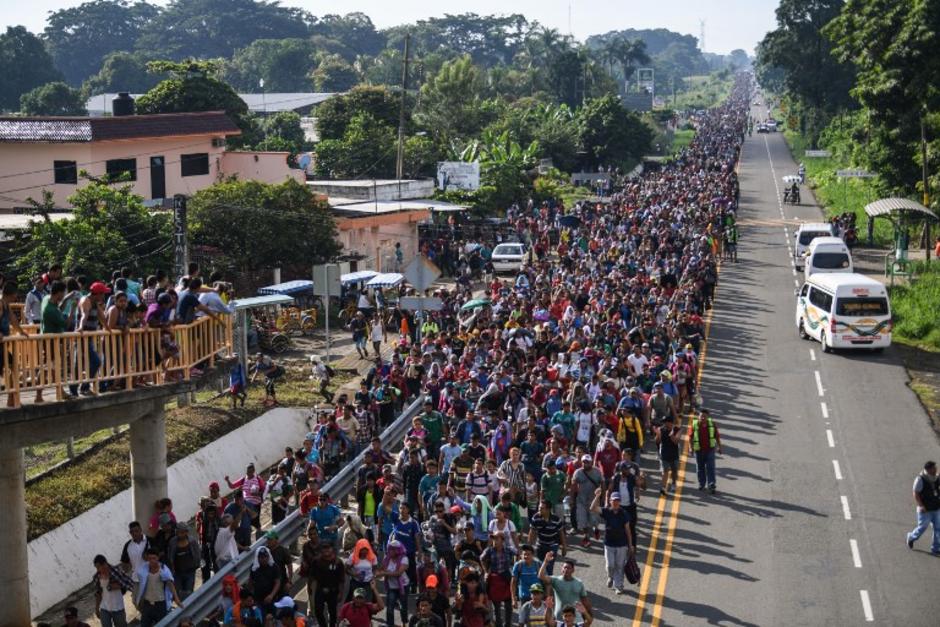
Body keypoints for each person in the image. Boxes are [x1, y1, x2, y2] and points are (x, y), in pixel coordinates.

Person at [590, 489, 634, 594]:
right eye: (614, 500)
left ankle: (618, 586)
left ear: (620, 502)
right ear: (610, 501)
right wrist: (597, 496)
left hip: (621, 544)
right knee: (610, 565)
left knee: (619, 565)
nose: (615, 502)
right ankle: (610, 577)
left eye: (617, 500)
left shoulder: (624, 514)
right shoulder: (607, 511)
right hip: (609, 544)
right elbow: (592, 508)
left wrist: (630, 545)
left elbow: (628, 530)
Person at [134, 548, 182, 627]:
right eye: (150, 559)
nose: (152, 561)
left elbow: (170, 584)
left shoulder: (163, 570)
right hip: (147, 604)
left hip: (160, 604)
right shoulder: (143, 569)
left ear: (158, 558)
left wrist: (176, 599)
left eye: (154, 558)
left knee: (162, 624)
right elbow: (141, 584)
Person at [538, 556, 592, 625]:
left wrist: (587, 612)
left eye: (568, 568)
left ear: (573, 570)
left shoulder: (579, 583)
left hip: (576, 618)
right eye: (564, 567)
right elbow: (541, 576)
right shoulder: (555, 580)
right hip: (560, 618)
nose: (566, 569)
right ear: (562, 569)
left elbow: (585, 600)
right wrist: (546, 561)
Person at [906, 460, 940, 555]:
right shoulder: (920, 479)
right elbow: (915, 493)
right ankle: (911, 537)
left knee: (938, 528)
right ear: (928, 470)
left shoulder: (936, 477)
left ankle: (935, 548)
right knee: (922, 528)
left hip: (936, 507)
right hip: (925, 509)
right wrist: (921, 505)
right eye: (934, 468)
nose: (936, 469)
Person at [570, 455, 603, 548]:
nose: (585, 464)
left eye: (587, 462)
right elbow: (573, 486)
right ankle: (586, 537)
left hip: (593, 501)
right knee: (582, 519)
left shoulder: (597, 472)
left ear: (591, 462)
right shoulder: (578, 472)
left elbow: (602, 483)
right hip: (581, 500)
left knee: (593, 519)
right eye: (584, 462)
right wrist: (572, 499)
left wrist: (602, 498)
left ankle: (596, 529)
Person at [92, 554, 134, 627]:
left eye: (99, 566)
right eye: (96, 567)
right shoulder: (97, 577)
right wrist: (96, 609)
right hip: (104, 608)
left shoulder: (116, 571)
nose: (98, 569)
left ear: (105, 564)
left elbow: (127, 583)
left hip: (118, 607)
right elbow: (98, 593)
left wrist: (117, 586)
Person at [310, 543, 345, 627]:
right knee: (318, 611)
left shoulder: (338, 562)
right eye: (324, 548)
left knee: (332, 612)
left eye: (328, 548)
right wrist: (310, 589)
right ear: (321, 550)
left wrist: (340, 593)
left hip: (333, 591)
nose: (326, 550)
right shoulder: (316, 561)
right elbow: (312, 577)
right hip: (320, 590)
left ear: (332, 549)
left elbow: (341, 580)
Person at [688, 408, 722, 493]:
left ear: (708, 417)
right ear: (698, 417)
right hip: (698, 451)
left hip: (709, 450)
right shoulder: (694, 425)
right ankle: (701, 483)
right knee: (700, 468)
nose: (702, 418)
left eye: (704, 416)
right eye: (701, 416)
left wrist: (719, 447)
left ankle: (711, 485)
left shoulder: (712, 424)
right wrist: (690, 448)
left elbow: (717, 436)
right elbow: (690, 437)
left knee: (711, 468)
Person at [654, 415, 681, 495]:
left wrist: (671, 435)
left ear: (670, 422)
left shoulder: (677, 430)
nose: (664, 424)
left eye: (666, 422)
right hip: (664, 453)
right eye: (664, 422)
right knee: (665, 471)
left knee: (674, 470)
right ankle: (663, 487)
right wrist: (658, 435)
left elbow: (676, 442)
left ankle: (673, 483)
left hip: (674, 453)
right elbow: (657, 441)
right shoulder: (661, 429)